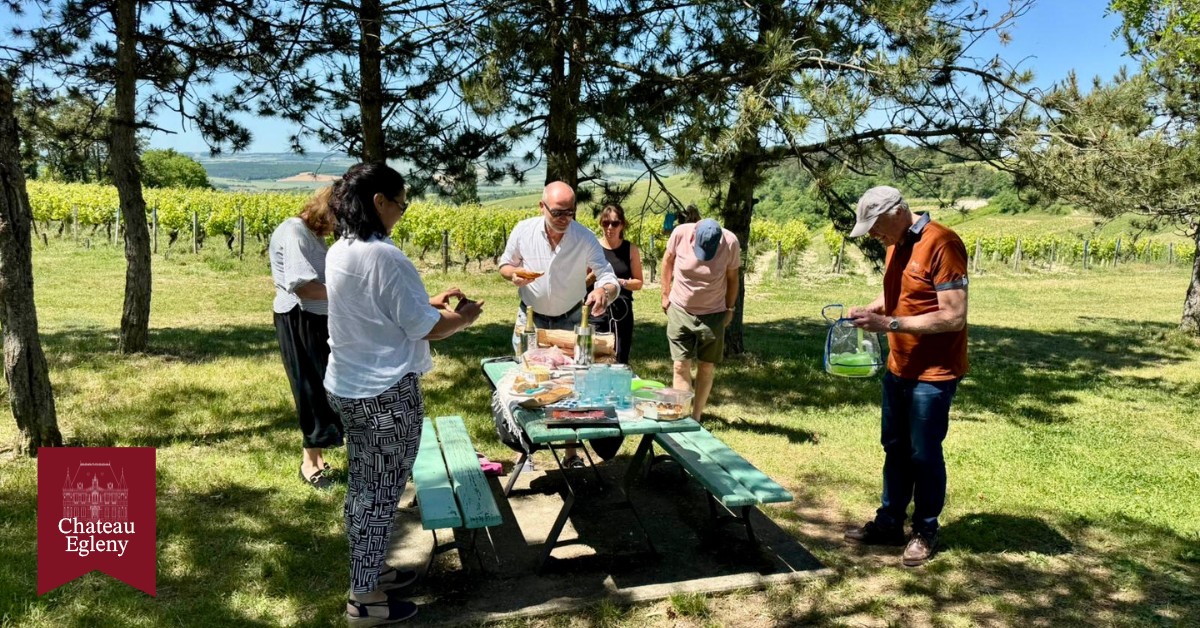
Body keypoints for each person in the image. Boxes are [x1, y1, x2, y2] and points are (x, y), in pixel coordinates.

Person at [323, 162, 484, 624]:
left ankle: (370, 571)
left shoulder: (341, 250)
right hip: (385, 394)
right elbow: (426, 328)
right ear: (379, 202)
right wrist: (464, 317)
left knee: (364, 487)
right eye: (401, 204)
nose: (401, 212)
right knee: (379, 493)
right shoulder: (384, 256)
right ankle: (364, 599)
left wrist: (422, 302)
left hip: (348, 385)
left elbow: (374, 309)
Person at [842, 185, 969, 568]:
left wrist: (889, 324)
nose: (873, 235)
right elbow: (899, 294)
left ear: (897, 212)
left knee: (924, 454)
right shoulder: (895, 244)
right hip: (898, 368)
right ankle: (889, 523)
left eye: (875, 226)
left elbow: (953, 316)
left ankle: (925, 530)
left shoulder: (943, 243)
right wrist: (872, 310)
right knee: (895, 447)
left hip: (933, 373)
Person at [498, 181, 619, 468]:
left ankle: (570, 453)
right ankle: (525, 451)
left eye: (570, 212)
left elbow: (607, 275)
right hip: (531, 319)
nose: (565, 218)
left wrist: (604, 291)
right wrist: (513, 274)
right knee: (528, 383)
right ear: (542, 207)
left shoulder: (584, 237)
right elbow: (505, 264)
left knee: (570, 384)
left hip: (570, 318)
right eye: (558, 212)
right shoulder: (523, 230)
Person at [268, 186, 343, 490]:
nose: (340, 227)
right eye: (339, 218)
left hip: (315, 318)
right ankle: (309, 465)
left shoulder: (313, 235)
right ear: (328, 210)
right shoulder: (294, 231)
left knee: (323, 386)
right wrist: (348, 293)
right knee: (310, 387)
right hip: (299, 318)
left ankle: (318, 457)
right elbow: (305, 287)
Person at [660, 218, 740, 421]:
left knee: (706, 366)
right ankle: (683, 416)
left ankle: (696, 417)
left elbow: (733, 278)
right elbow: (667, 261)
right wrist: (665, 295)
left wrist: (730, 308)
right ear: (694, 235)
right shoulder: (680, 234)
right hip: (680, 309)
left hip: (713, 313)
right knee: (680, 365)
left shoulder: (730, 242)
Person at [587, 203, 644, 364]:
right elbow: (582, 283)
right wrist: (594, 276)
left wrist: (619, 282)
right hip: (596, 311)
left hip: (622, 312)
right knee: (595, 356)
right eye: (605, 223)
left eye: (614, 223)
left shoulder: (630, 249)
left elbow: (639, 283)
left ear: (622, 225)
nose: (610, 228)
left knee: (620, 357)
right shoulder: (593, 248)